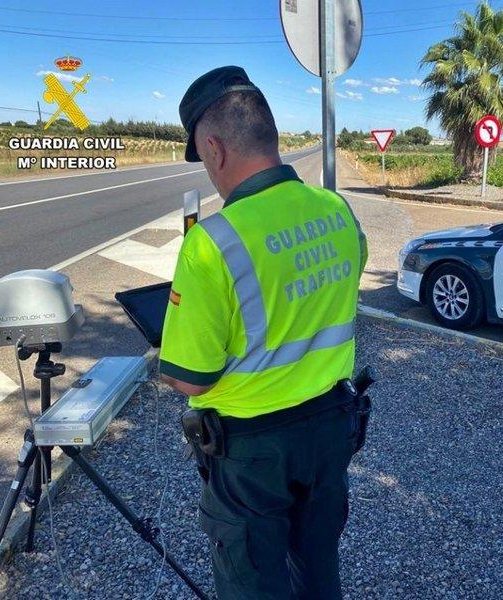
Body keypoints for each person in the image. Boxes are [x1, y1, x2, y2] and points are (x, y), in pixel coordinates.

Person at [159, 66, 368, 599]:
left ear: (213, 147)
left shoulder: (211, 242)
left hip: (253, 453)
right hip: (329, 431)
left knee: (253, 583)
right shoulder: (338, 212)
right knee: (318, 569)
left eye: (203, 157)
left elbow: (193, 381)